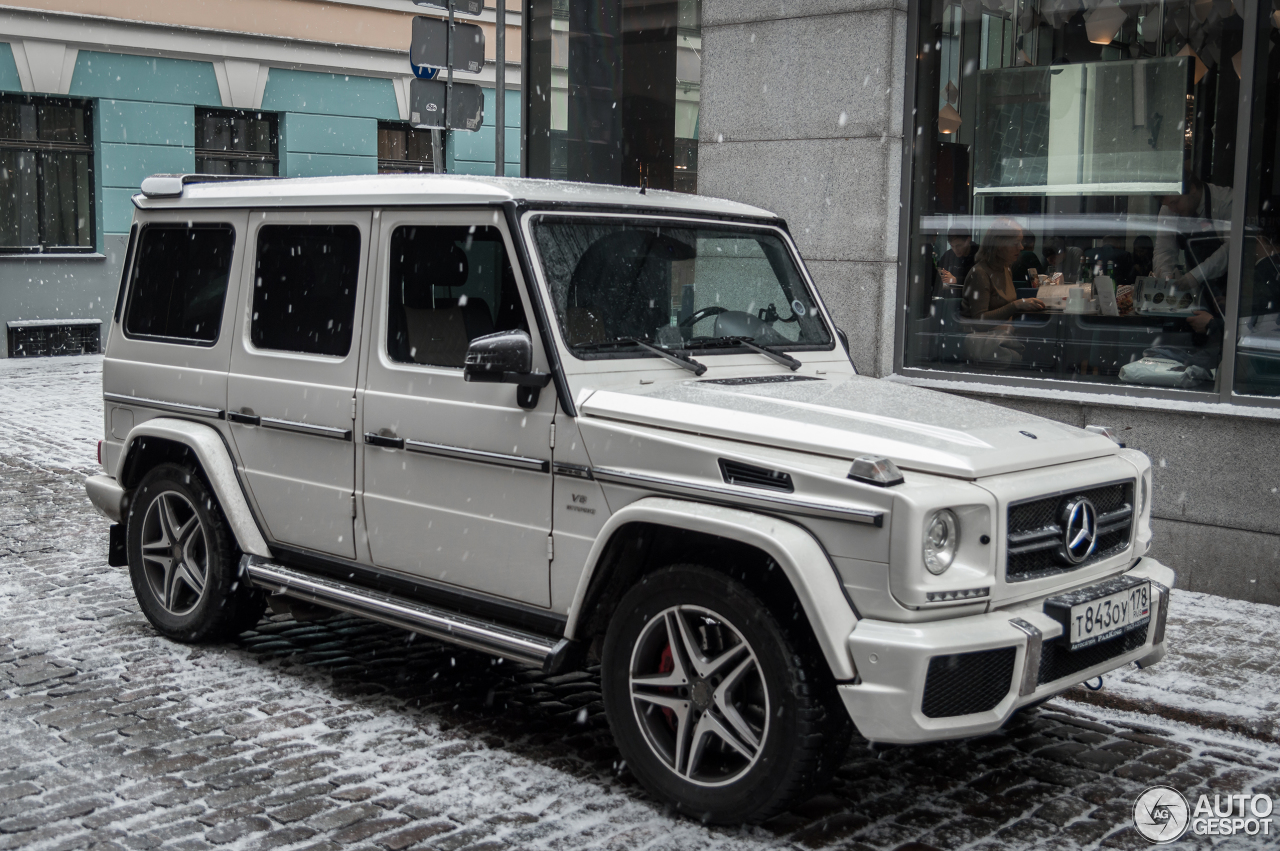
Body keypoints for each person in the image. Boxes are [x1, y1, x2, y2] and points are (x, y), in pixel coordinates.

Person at [1154, 170, 1233, 293]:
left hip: (1228, 289)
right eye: (1168, 205)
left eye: (1175, 202)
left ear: (1192, 188)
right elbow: (1164, 249)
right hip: (1193, 293)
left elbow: (1232, 249)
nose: (1173, 209)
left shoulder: (1225, 202)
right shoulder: (1169, 208)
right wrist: (1166, 276)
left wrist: (1195, 276)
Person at [961, 219, 1046, 320]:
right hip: (982, 334)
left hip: (1003, 331)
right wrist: (1016, 305)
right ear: (999, 246)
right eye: (1016, 243)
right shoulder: (980, 273)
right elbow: (980, 320)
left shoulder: (1006, 269)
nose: (1021, 247)